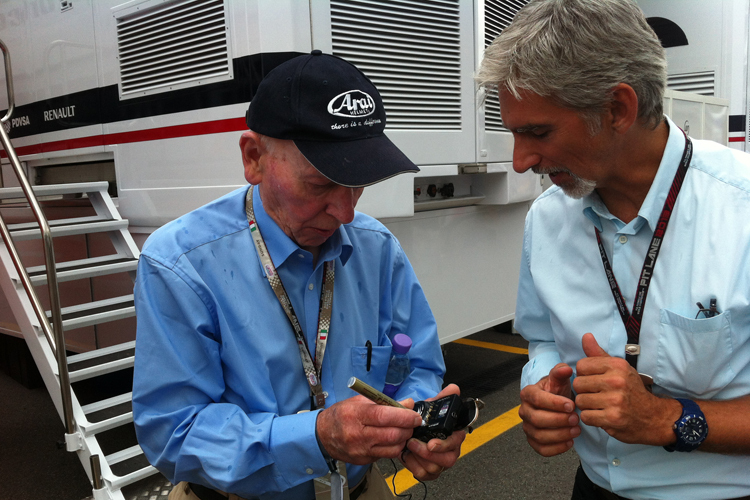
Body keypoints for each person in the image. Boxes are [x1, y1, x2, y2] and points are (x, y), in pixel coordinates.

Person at [132, 50, 465, 500]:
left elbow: (417, 363)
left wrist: (417, 420)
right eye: (321, 183)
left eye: (358, 181)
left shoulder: (377, 247)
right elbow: (174, 433)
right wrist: (316, 436)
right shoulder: (181, 263)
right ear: (254, 158)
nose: (346, 211)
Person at [477, 0, 750, 499]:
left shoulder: (741, 210)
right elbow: (541, 338)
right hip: (595, 487)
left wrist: (670, 418)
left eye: (537, 132)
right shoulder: (548, 218)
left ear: (618, 109)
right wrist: (540, 391)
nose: (520, 162)